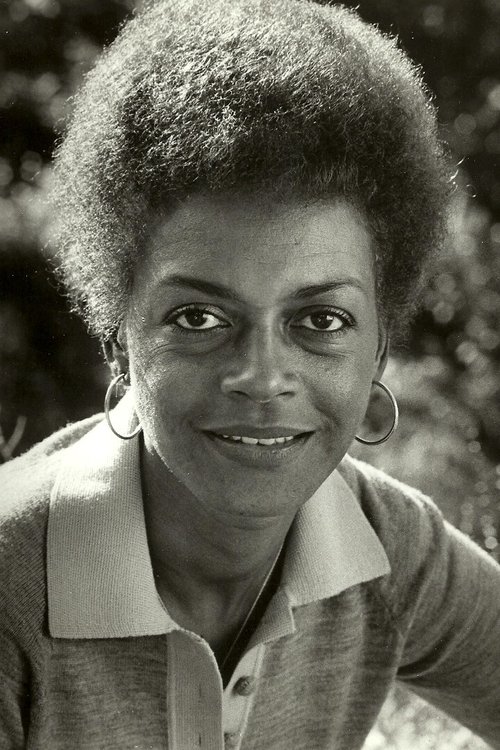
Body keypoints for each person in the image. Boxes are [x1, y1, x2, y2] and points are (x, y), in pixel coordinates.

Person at [1, 0, 499, 748]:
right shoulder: (11, 589)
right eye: (199, 318)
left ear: (379, 352)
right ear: (117, 339)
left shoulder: (388, 546)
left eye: (321, 321)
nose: (262, 378)